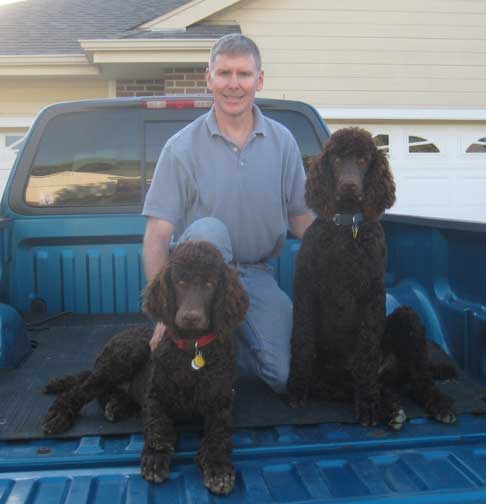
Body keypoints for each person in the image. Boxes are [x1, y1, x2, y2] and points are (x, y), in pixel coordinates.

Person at [142, 33, 313, 394]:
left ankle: (228, 356)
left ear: (259, 80)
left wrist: (339, 257)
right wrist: (163, 317)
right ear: (209, 78)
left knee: (284, 376)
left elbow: (302, 219)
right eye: (224, 73)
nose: (233, 84)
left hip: (256, 274)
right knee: (210, 230)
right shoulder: (181, 147)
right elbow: (158, 235)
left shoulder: (283, 142)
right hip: (196, 283)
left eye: (244, 74)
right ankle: (196, 345)